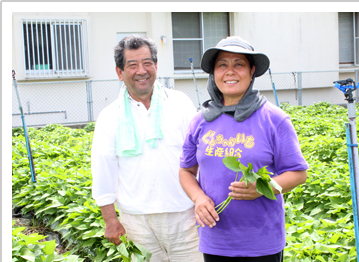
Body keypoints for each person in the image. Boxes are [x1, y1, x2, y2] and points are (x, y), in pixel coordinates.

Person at [179, 36, 309, 262]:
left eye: (238, 64)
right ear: (214, 73)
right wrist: (199, 198)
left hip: (262, 242)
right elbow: (186, 171)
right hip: (216, 239)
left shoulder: (274, 119)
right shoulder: (200, 121)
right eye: (222, 65)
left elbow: (298, 173)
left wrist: (264, 187)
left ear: (252, 71)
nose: (230, 71)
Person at [91, 35, 203, 262]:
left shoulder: (180, 103)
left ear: (156, 66)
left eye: (147, 63)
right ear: (119, 73)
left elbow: (200, 156)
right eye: (132, 65)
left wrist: (203, 200)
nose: (141, 70)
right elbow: (103, 170)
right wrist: (111, 221)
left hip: (185, 215)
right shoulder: (110, 116)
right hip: (136, 222)